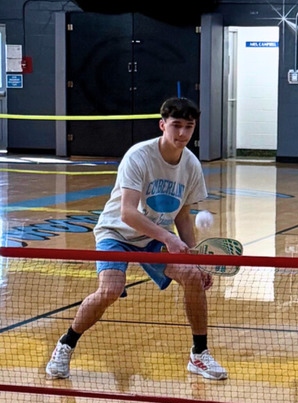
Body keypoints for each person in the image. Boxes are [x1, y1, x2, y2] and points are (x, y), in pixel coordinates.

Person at [46, 96, 228, 381]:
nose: (181, 134)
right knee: (111, 290)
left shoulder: (191, 165)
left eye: (188, 127)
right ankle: (66, 344)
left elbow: (182, 216)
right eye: (176, 125)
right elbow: (128, 213)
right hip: (116, 233)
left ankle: (199, 354)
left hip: (154, 237)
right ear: (162, 125)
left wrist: (194, 258)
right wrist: (168, 238)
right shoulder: (139, 156)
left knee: (193, 278)